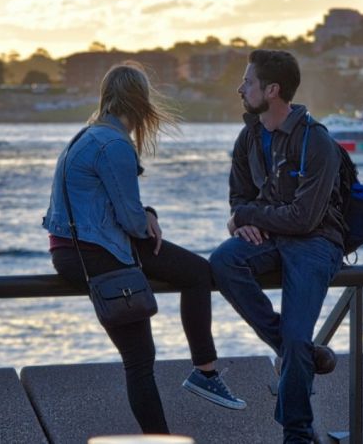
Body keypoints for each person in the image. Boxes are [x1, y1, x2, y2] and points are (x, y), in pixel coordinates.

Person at [43, 62, 245, 434]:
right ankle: (203, 372)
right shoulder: (114, 144)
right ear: (140, 103)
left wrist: (144, 212)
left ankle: (195, 385)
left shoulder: (83, 137)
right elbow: (133, 222)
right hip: (98, 253)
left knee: (139, 357)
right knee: (195, 277)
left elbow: (110, 206)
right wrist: (147, 216)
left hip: (68, 251)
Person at [209, 49, 345, 443]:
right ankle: (294, 350)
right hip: (271, 239)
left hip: (316, 242)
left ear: (272, 90)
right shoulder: (249, 136)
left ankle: (297, 434)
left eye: (248, 82)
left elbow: (304, 217)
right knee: (223, 260)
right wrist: (242, 218)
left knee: (300, 337)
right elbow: (239, 198)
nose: (240, 89)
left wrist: (248, 217)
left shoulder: (316, 140)